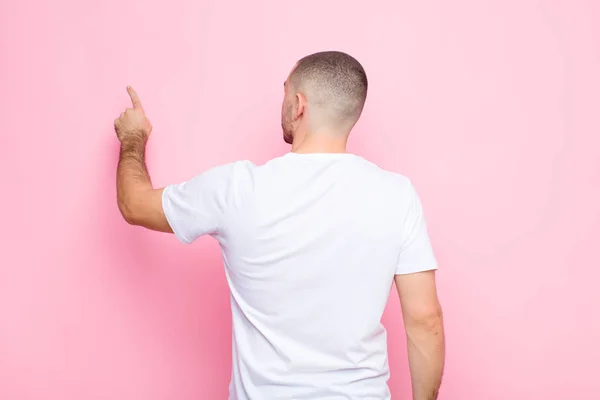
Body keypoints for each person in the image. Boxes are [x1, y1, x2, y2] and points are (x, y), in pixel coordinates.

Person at [114, 51, 445, 400]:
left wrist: (132, 137)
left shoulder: (237, 189)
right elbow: (425, 321)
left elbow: (133, 204)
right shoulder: (397, 194)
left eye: (285, 92)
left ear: (299, 104)